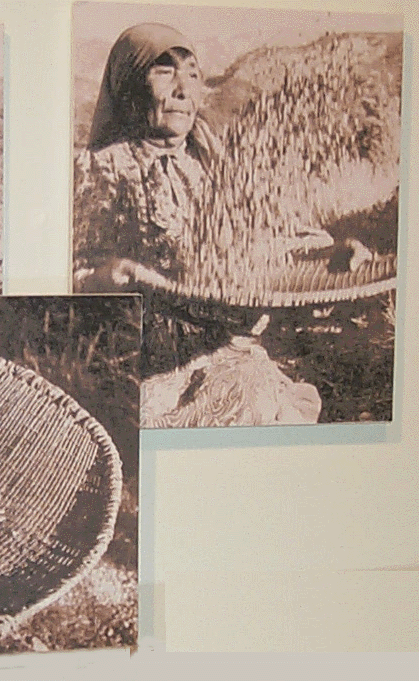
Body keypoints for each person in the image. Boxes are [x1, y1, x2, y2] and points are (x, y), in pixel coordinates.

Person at [73, 23, 321, 427]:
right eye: (164, 71)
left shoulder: (216, 166)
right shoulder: (100, 171)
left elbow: (271, 243)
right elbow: (70, 273)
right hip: (143, 356)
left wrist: (330, 254)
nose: (183, 91)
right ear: (130, 83)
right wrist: (109, 276)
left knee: (259, 400)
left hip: (223, 344)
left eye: (192, 73)